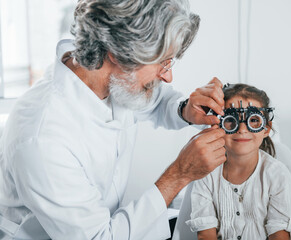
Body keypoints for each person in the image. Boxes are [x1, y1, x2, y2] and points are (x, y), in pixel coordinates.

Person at [0, 0, 227, 239]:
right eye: (163, 62)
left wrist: (185, 110)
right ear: (118, 54)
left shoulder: (111, 81)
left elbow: (154, 100)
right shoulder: (42, 139)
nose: (168, 76)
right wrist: (180, 174)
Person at [186, 83, 291, 240]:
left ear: (266, 128)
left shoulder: (277, 175)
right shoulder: (207, 173)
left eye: (254, 120)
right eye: (231, 120)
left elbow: (280, 235)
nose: (243, 129)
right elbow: (205, 235)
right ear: (216, 125)